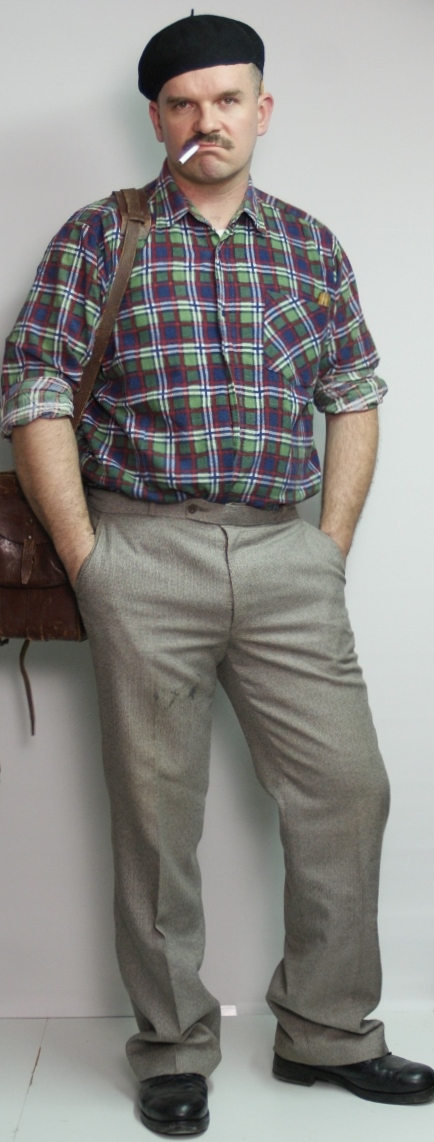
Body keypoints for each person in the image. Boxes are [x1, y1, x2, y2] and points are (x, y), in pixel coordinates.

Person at [1, 12, 433, 1136]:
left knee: (347, 791)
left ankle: (326, 1032)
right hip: (142, 549)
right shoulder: (99, 236)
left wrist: (328, 548)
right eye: (184, 103)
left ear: (262, 109)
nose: (207, 121)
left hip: (288, 555)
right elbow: (35, 392)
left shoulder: (310, 244)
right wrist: (90, 559)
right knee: (157, 818)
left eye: (228, 98)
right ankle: (173, 1046)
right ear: (156, 117)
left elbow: (354, 394)